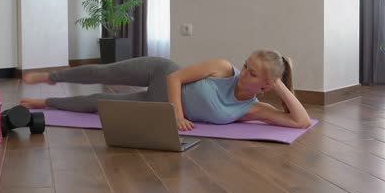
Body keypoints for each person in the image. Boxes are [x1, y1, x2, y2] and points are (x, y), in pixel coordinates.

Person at [19, 49, 312, 131]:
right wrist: (176, 117)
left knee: (101, 102)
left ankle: (45, 102)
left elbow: (300, 122)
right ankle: (53, 75)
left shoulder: (251, 109)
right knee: (103, 72)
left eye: (252, 73)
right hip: (160, 73)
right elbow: (175, 79)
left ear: (265, 85)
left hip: (156, 104)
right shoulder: (223, 68)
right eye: (245, 64)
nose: (242, 72)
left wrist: (282, 88)